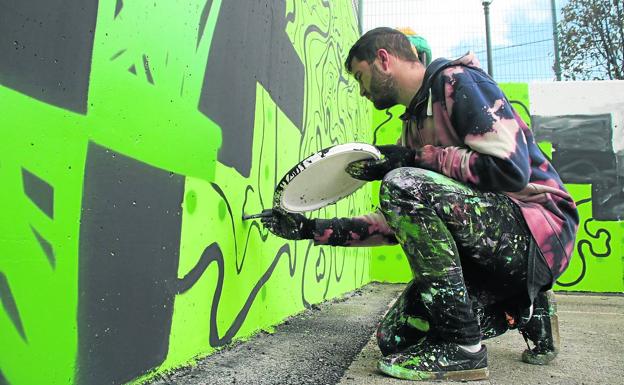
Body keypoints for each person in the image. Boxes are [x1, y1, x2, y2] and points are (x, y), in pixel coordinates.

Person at [261, 27, 579, 381]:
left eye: (361, 77)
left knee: (401, 183)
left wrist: (415, 159)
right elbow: (396, 224)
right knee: (395, 338)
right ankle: (524, 310)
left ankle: (464, 348)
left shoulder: (457, 82)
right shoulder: (413, 125)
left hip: (537, 233)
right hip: (487, 249)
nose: (362, 90)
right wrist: (309, 230)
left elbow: (510, 169)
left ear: (384, 59)